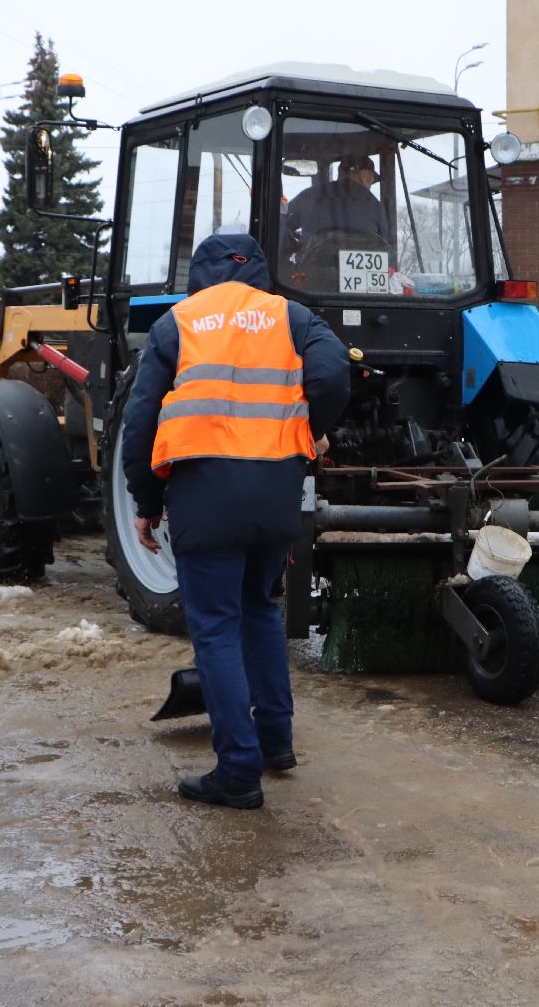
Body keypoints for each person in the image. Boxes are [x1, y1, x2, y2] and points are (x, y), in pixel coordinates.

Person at [120, 233, 350, 809]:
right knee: (259, 610)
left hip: (205, 494)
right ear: (260, 272)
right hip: (275, 491)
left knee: (217, 627)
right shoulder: (292, 317)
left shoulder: (178, 323)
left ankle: (238, 771)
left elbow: (141, 417)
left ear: (201, 273)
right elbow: (333, 375)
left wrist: (147, 501)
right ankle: (275, 742)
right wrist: (308, 430)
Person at [288, 154, 390, 248]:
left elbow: (283, 223)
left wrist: (294, 248)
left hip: (314, 265)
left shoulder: (310, 196)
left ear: (340, 172)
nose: (370, 185)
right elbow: (385, 243)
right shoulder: (375, 206)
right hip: (367, 268)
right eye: (371, 180)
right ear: (365, 176)